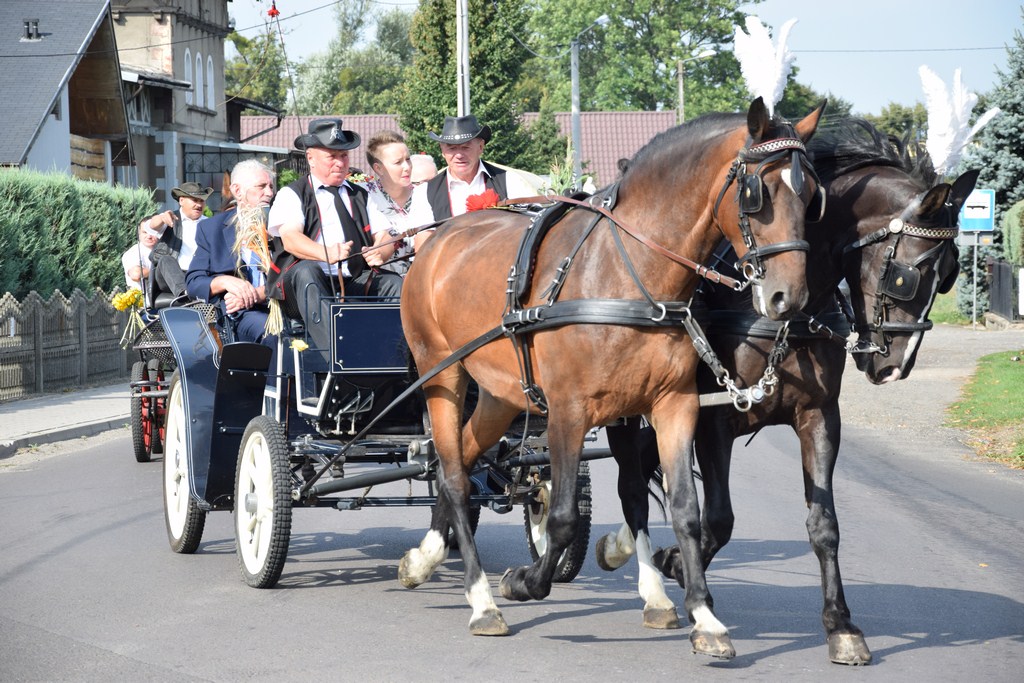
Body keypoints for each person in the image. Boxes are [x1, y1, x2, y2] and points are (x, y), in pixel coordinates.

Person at [266, 118, 402, 361]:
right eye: (332, 156)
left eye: (344, 156)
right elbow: (291, 239)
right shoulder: (292, 194)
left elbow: (384, 235)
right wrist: (325, 253)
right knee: (308, 271)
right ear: (311, 158)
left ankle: (397, 358)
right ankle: (342, 357)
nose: (340, 163)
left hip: (352, 278)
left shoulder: (361, 194)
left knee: (393, 283)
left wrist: (380, 252)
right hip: (301, 287)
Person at [406, 114, 538, 249]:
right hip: (449, 267)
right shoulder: (425, 192)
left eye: (465, 147)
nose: (459, 155)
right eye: (452, 148)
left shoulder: (510, 181)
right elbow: (423, 243)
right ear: (442, 150)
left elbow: (532, 224)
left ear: (480, 147)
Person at [185, 160, 277, 348]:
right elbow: (194, 281)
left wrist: (259, 293)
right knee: (272, 333)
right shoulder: (212, 228)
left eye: (271, 186)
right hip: (241, 314)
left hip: (282, 305)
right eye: (261, 186)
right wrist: (225, 282)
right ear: (237, 191)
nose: (269, 193)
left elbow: (293, 272)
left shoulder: (282, 225)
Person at [364, 131, 421, 275]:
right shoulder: (364, 196)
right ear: (378, 168)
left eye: (408, 159)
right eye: (398, 162)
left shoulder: (425, 195)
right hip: (382, 286)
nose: (407, 167)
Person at [146, 182, 213, 298]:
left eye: (201, 201)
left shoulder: (210, 223)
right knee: (165, 260)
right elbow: (151, 226)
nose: (199, 205)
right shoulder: (170, 218)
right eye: (195, 200)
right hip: (170, 276)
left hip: (200, 275)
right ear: (181, 201)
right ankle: (186, 293)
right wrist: (162, 218)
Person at [121, 222, 161, 290]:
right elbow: (136, 274)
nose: (149, 236)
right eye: (145, 232)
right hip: (141, 298)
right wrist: (162, 271)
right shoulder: (133, 252)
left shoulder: (166, 249)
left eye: (152, 232)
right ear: (139, 234)